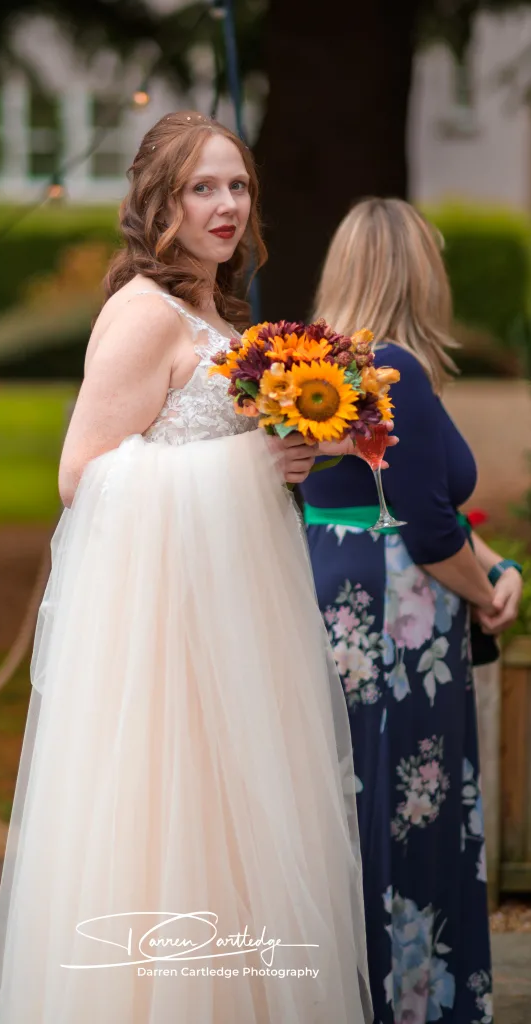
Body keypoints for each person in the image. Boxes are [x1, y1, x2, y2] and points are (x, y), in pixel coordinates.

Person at [0, 112, 374, 1024]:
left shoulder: (218, 317)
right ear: (160, 201)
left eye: (237, 186)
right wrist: (244, 465)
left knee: (241, 842)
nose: (227, 204)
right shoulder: (140, 315)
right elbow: (83, 476)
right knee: (170, 841)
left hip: (235, 625)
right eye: (203, 187)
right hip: (167, 646)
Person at [299, 197, 524, 1024]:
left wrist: (494, 558)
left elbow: (396, 498)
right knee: (408, 807)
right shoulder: (400, 368)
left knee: (351, 800)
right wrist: (488, 592)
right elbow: (429, 533)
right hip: (400, 618)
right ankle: (409, 1001)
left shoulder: (314, 373)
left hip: (332, 594)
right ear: (417, 271)